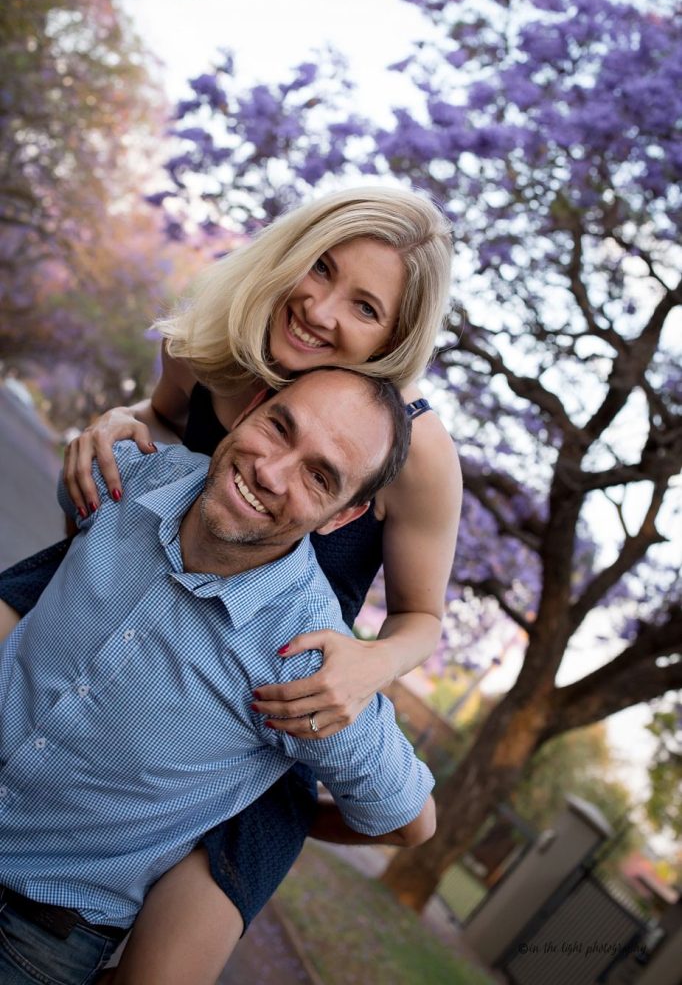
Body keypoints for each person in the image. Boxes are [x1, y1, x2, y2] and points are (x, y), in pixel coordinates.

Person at [0, 185, 461, 981]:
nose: (320, 308)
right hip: (162, 550)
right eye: (320, 266)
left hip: (279, 689)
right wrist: (115, 424)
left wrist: (367, 665)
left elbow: (423, 615)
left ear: (393, 340)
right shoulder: (216, 331)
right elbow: (163, 422)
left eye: (364, 306)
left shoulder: (412, 454)